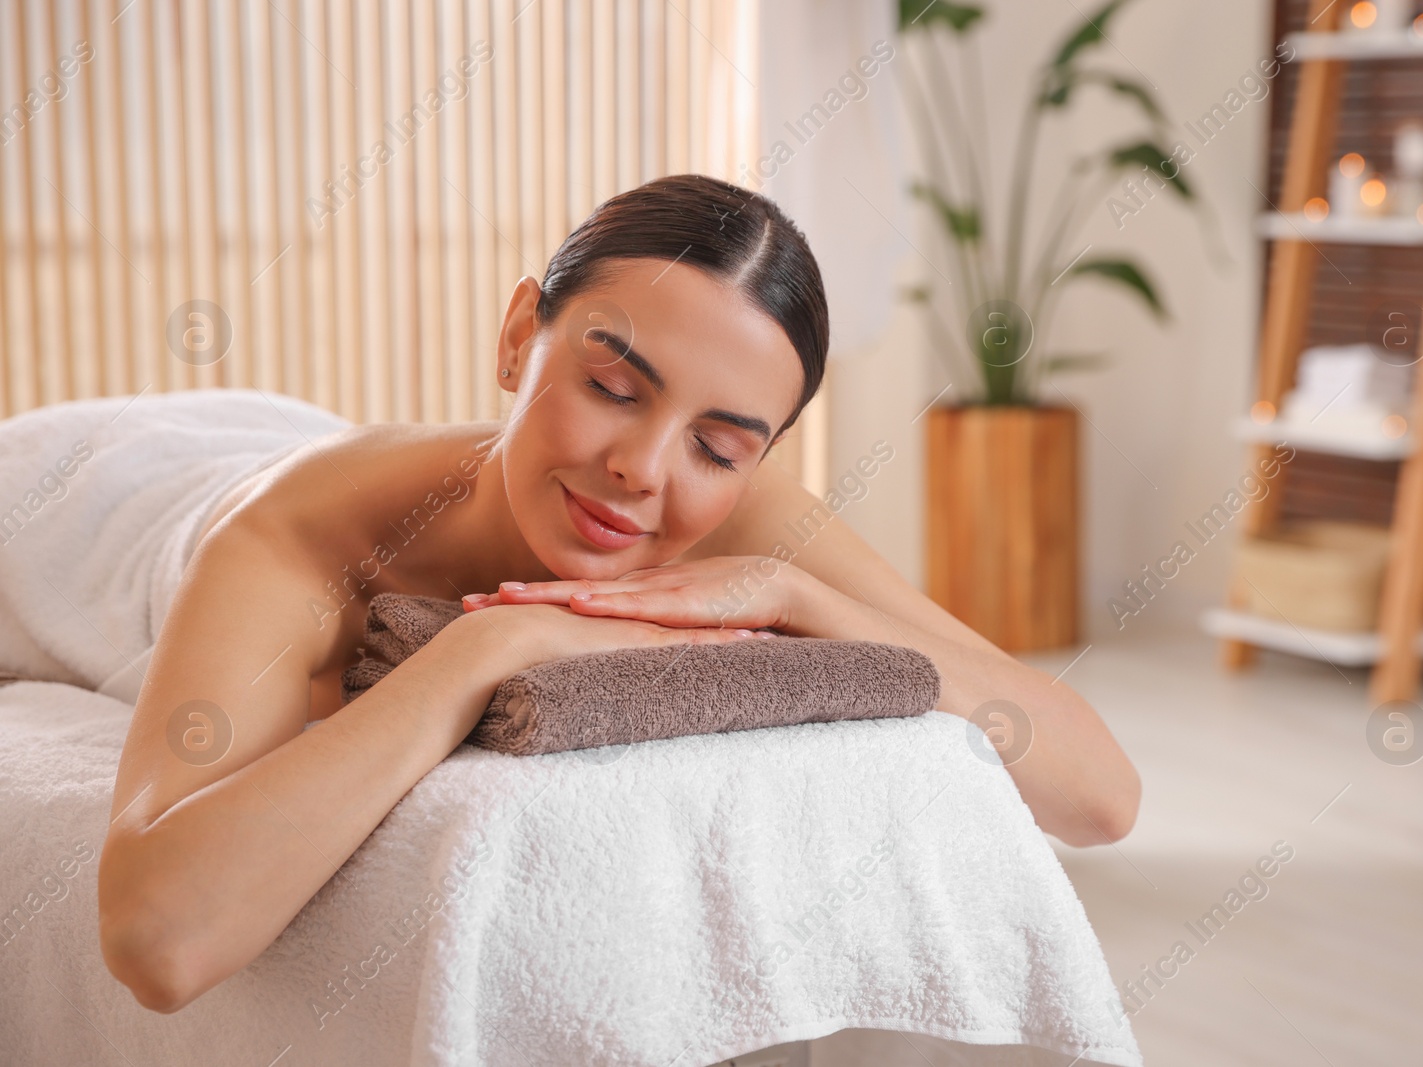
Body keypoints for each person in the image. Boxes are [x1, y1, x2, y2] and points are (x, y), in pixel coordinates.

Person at [96, 174, 1139, 1014]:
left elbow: (1098, 794)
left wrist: (796, 593)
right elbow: (160, 941)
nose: (643, 467)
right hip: (112, 483)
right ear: (517, 338)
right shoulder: (305, 537)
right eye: (609, 387)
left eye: (720, 445)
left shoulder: (738, 512)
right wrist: (485, 648)